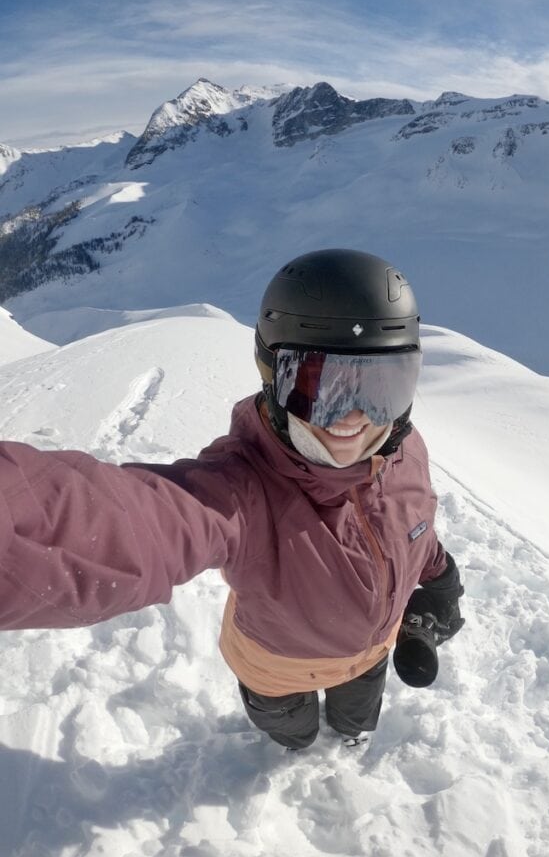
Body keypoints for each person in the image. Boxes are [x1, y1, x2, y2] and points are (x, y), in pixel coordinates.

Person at [0, 249, 464, 750]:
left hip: (372, 654)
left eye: (380, 387)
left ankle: (347, 738)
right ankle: (298, 747)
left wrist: (437, 572)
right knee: (295, 732)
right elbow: (126, 523)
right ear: (274, 379)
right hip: (276, 667)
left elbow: (411, 519)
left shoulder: (405, 450)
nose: (352, 418)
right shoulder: (240, 491)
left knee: (354, 723)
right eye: (319, 387)